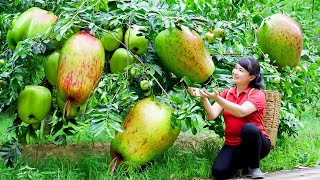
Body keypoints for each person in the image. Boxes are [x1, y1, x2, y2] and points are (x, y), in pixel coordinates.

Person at [188, 57, 271, 179]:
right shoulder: (227, 93)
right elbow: (212, 115)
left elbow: (242, 112)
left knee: (249, 129)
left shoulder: (256, 94)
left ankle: (254, 167)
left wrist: (217, 98)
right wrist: (203, 97)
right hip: (233, 144)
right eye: (235, 68)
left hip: (257, 144)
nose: (235, 72)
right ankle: (244, 165)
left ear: (251, 77)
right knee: (219, 172)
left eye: (241, 70)